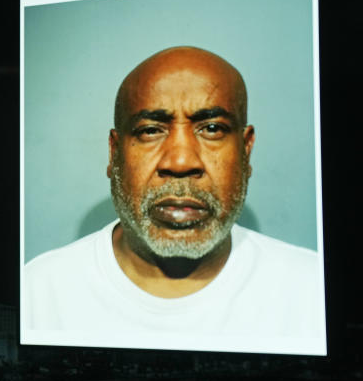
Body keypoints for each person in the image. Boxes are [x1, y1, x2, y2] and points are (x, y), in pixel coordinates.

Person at [23, 46, 324, 354]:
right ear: (114, 155)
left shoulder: (312, 290)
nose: (180, 161)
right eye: (151, 130)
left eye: (212, 129)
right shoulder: (38, 291)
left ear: (246, 151)